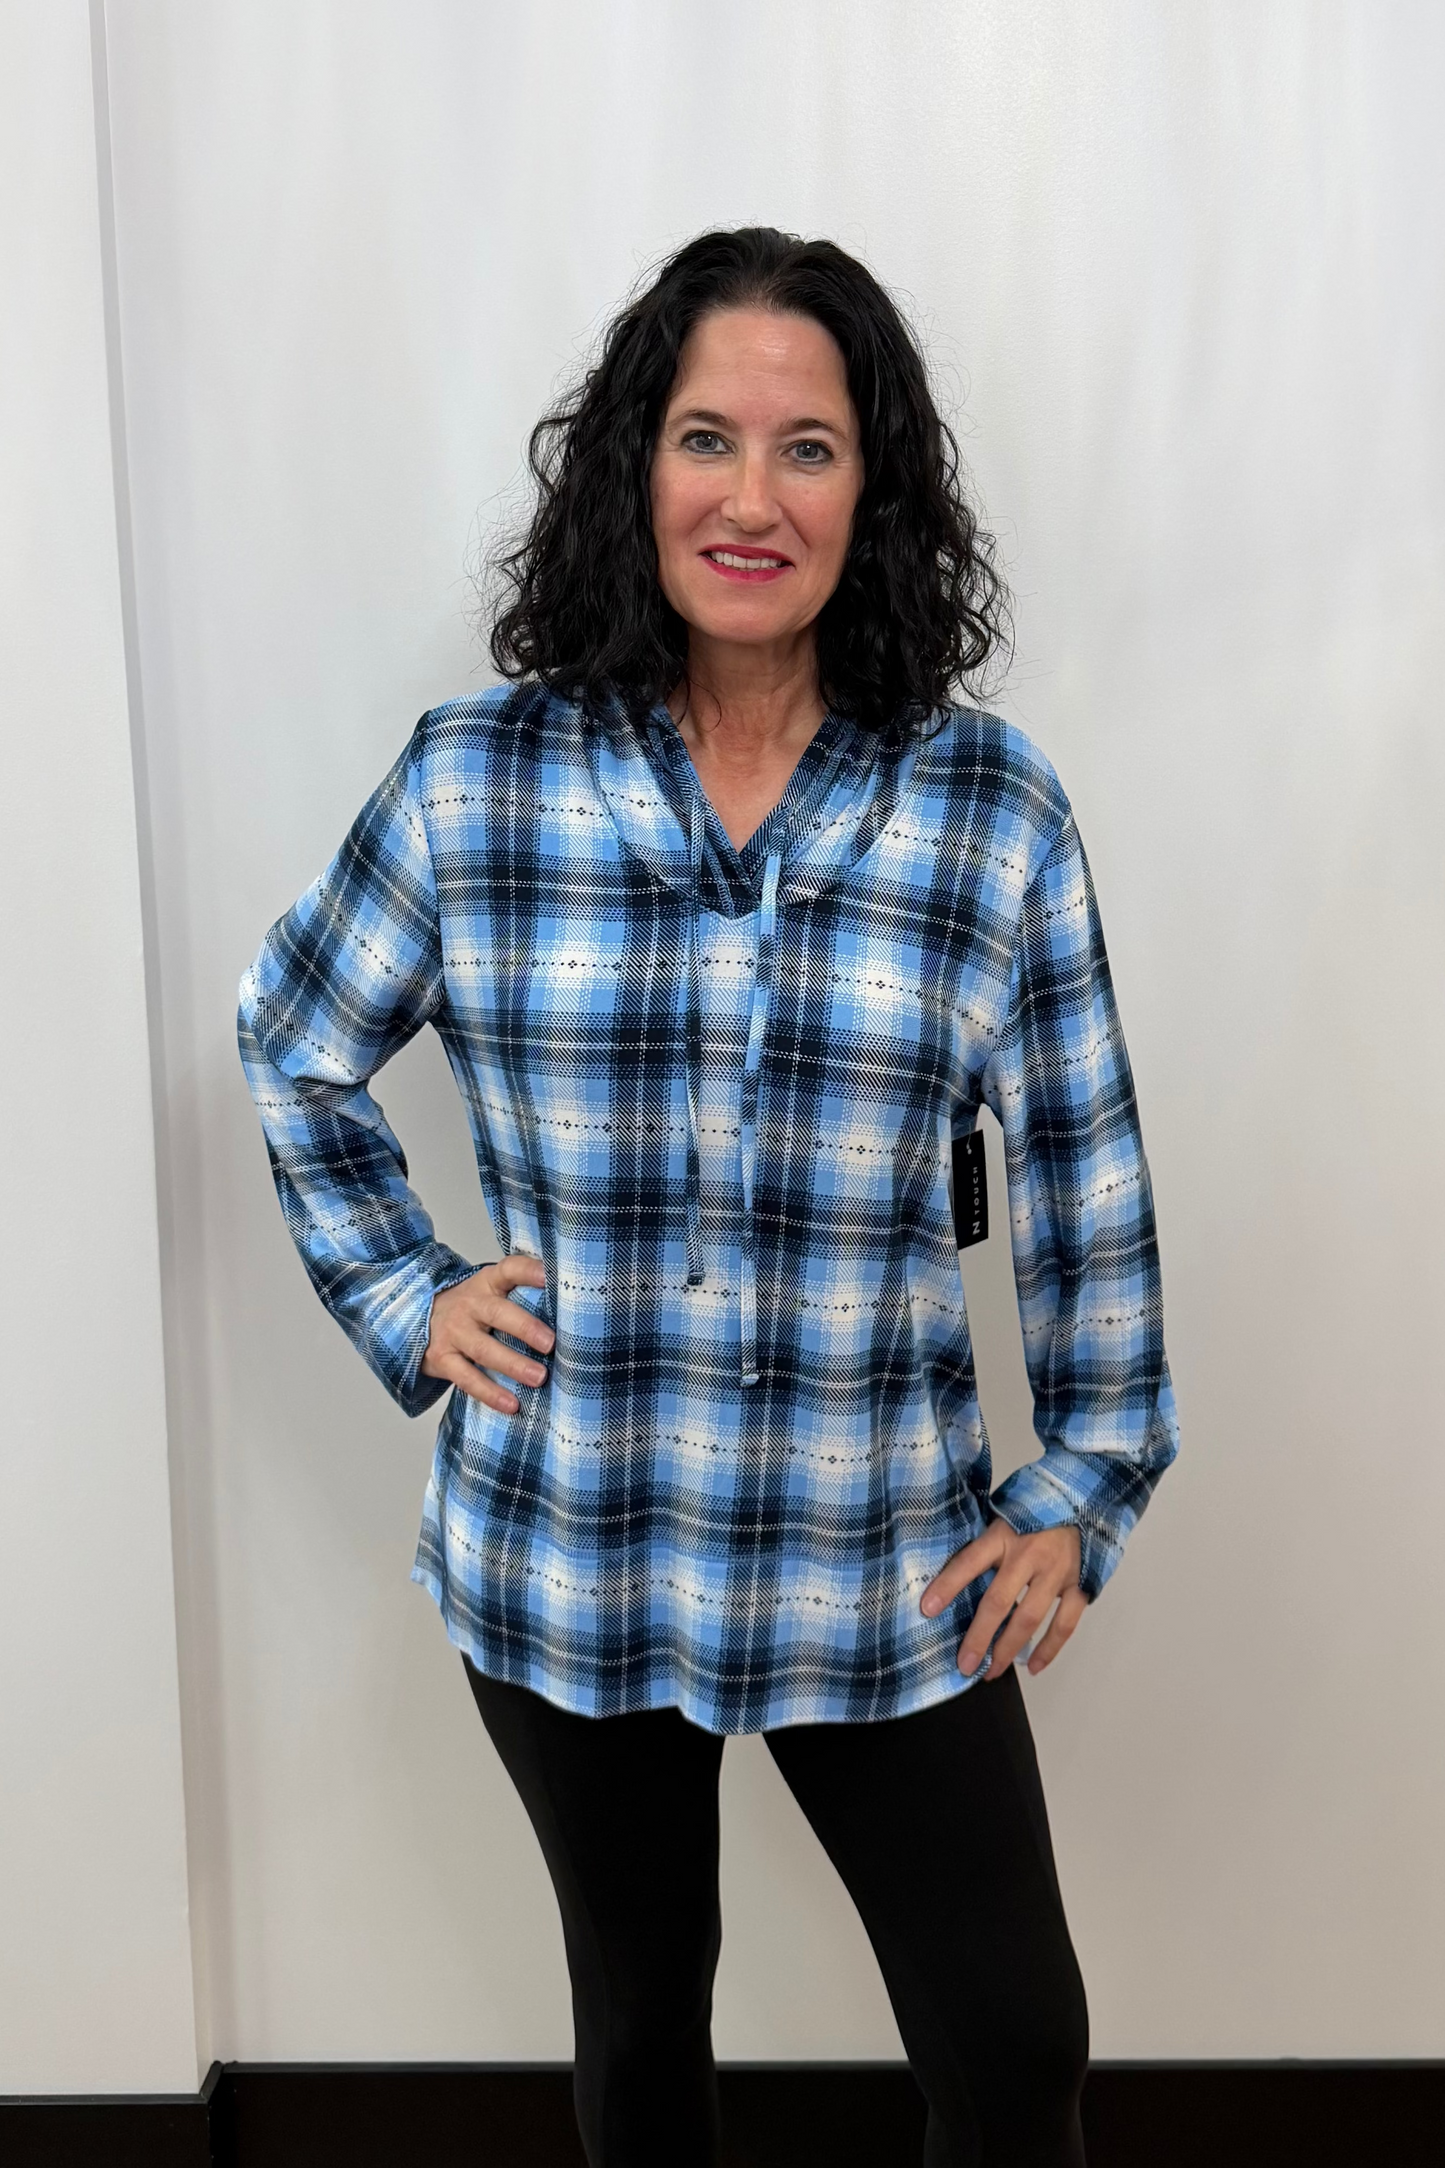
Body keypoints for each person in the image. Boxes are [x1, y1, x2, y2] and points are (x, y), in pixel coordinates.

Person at [238, 226, 1179, 2168]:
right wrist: (405, 1292)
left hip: (877, 1559)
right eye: (703, 437)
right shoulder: (473, 786)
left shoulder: (985, 811)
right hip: (571, 1547)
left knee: (1013, 2040)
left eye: (808, 447)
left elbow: (1082, 1160)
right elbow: (293, 1034)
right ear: (630, 473)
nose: (751, 496)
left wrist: (1084, 1477)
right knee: (641, 2015)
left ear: (874, 491)